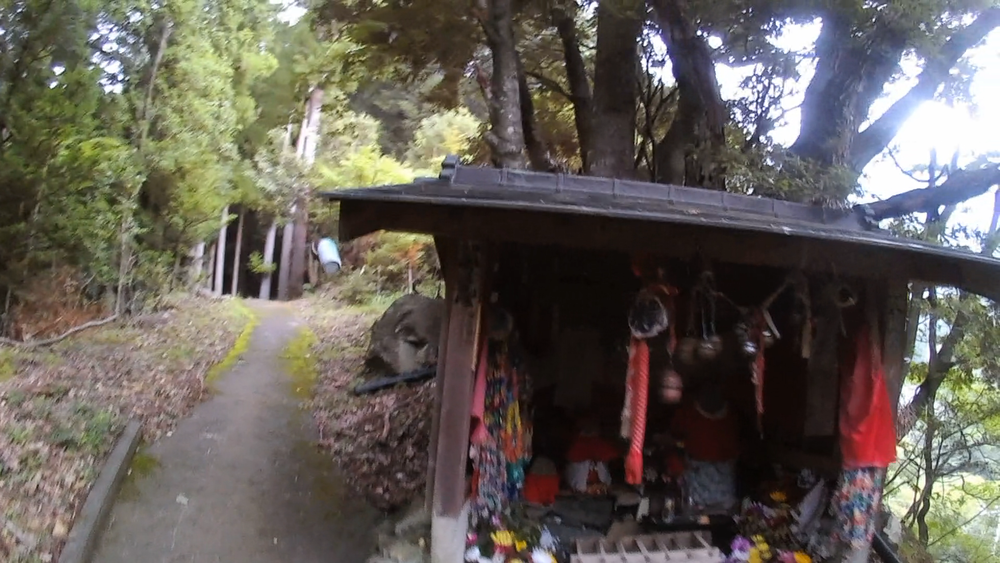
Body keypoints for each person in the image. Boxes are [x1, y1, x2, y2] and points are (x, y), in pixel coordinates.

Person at [668, 381, 741, 515]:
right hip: (721, 478)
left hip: (706, 475)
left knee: (701, 511)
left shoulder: (688, 411)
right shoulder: (732, 412)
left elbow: (676, 436)